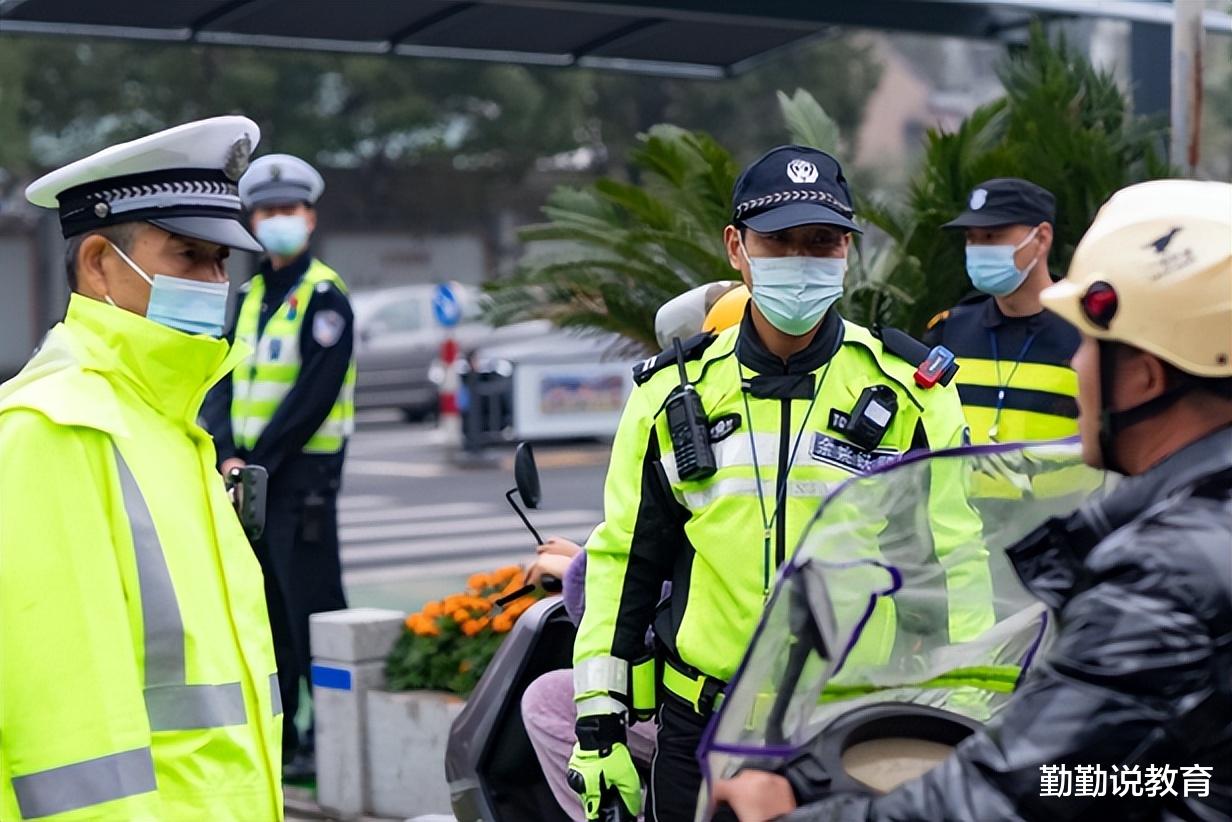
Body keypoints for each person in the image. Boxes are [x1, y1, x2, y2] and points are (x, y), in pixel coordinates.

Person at [716, 179, 1232, 821]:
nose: (1075, 366)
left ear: (1147, 378)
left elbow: (1003, 796)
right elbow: (1178, 778)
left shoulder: (1162, 581)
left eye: (1089, 345)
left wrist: (788, 816)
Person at [567, 145, 990, 822]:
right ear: (736, 247)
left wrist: (969, 710)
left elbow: (957, 559)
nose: (800, 259)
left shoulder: (909, 392)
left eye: (821, 241)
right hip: (701, 728)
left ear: (847, 252)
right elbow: (624, 563)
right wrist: (598, 724)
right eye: (779, 241)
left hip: (847, 729)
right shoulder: (670, 395)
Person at [0, 117, 283, 820]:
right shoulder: (53, 428)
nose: (216, 283)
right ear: (99, 263)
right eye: (191, 256)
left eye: (223, 263)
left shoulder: (171, 424)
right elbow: (66, 733)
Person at [201, 153, 355, 780]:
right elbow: (222, 378)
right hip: (252, 482)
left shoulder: (325, 298)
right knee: (266, 613)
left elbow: (313, 399)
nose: (277, 220)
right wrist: (225, 450)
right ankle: (287, 736)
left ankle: (333, 738)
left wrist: (257, 460)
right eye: (266, 211)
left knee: (314, 611)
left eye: (288, 210)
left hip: (302, 484)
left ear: (310, 218)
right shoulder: (249, 293)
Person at [923, 178, 1080, 444]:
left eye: (992, 236)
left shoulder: (1086, 335)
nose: (978, 249)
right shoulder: (949, 332)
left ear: (1041, 238)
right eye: (971, 238)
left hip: (1065, 488)